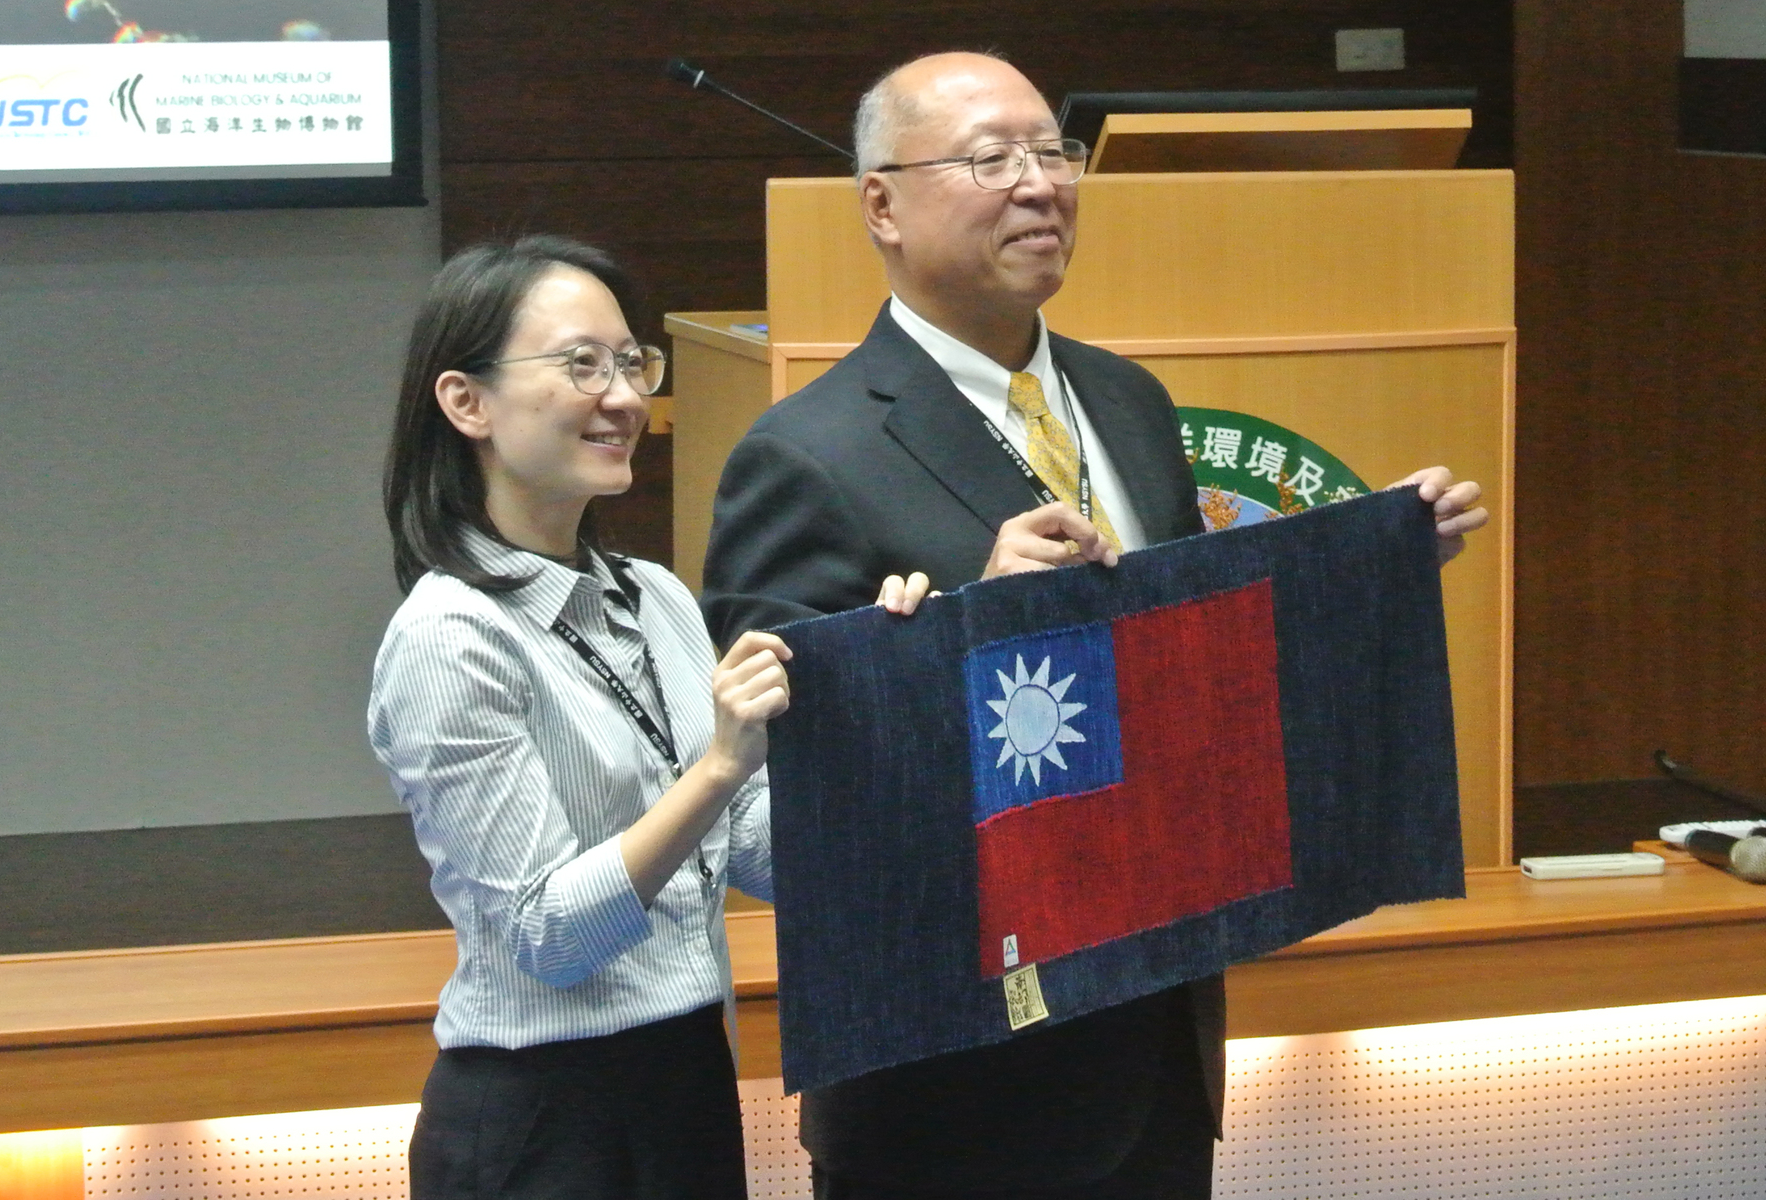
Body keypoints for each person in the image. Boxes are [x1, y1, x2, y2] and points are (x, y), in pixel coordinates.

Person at [700, 53, 1490, 1200]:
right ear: (880, 203)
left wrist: (1374, 567)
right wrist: (975, 615)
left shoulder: (1128, 402)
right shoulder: (803, 456)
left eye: (1053, 152)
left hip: (1158, 1051)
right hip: (950, 1090)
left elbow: (1194, 677)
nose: (1039, 185)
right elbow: (782, 791)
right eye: (989, 158)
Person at [366, 234, 797, 1200]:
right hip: (541, 1119)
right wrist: (719, 769)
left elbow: (756, 854)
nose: (623, 398)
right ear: (464, 402)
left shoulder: (654, 598)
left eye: (631, 361)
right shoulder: (451, 633)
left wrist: (916, 686)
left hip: (686, 1079)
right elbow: (548, 937)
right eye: (580, 364)